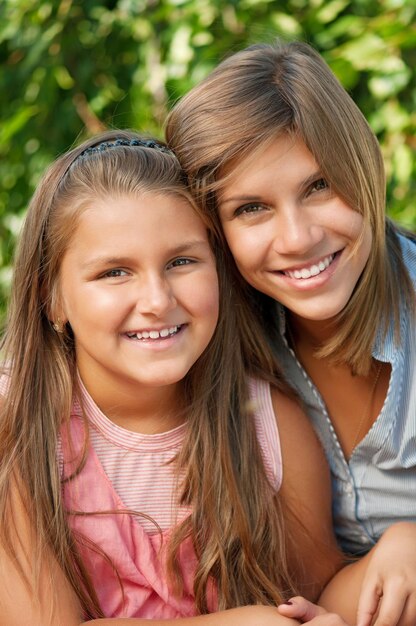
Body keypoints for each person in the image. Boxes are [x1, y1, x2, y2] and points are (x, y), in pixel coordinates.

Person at [0, 128, 352, 625]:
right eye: (114, 273)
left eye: (181, 262)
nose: (158, 301)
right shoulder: (16, 423)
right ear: (51, 297)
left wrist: (400, 554)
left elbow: (325, 591)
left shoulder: (268, 428)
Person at [165, 39, 416, 624]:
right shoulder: (216, 339)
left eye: (318, 186)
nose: (298, 237)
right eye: (251, 208)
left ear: (363, 166)